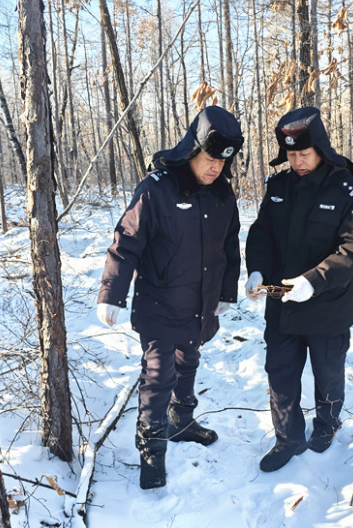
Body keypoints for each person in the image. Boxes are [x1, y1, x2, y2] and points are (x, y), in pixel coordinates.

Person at [97, 106, 244, 489]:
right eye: (210, 158)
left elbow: (229, 246)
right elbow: (126, 243)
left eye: (223, 161)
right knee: (159, 374)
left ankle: (181, 422)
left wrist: (226, 292)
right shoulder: (156, 188)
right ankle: (151, 449)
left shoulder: (222, 193)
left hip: (199, 304)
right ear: (193, 149)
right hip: (159, 304)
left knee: (188, 361)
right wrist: (112, 292)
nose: (215, 167)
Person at [245, 106, 353, 472]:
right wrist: (257, 269)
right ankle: (288, 438)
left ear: (320, 148)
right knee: (280, 375)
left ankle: (326, 425)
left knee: (328, 375)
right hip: (282, 304)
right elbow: (262, 233)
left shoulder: (346, 190)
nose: (297, 161)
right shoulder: (279, 186)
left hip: (328, 307)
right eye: (291, 155)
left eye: (304, 153)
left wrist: (314, 280)